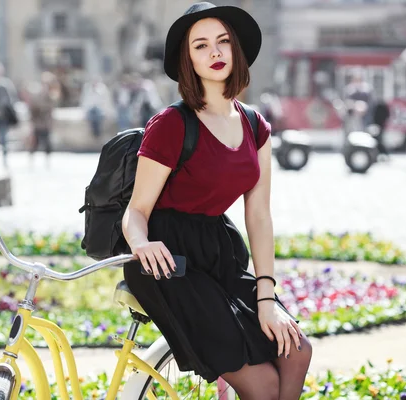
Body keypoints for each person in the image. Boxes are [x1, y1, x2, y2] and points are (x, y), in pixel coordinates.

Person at [121, 3, 312, 400]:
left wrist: (266, 298)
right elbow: (136, 211)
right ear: (188, 60)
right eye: (201, 45)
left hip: (220, 252)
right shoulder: (171, 124)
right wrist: (141, 244)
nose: (215, 52)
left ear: (236, 48)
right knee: (262, 385)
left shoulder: (256, 125)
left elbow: (258, 215)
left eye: (223, 41)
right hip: (170, 262)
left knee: (295, 350)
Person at [27, 72, 60, 169]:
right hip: (38, 123)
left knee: (47, 143)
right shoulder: (37, 94)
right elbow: (33, 108)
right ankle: (31, 160)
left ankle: (47, 161)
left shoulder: (51, 95)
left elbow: (52, 106)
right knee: (35, 143)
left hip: (46, 123)